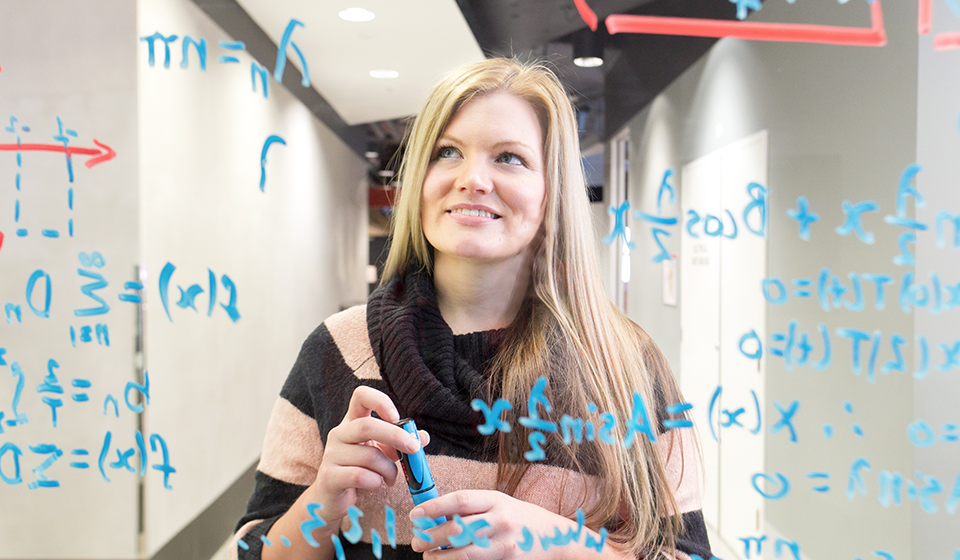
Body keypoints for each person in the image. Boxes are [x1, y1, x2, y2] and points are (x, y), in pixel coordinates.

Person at [233, 57, 712, 560]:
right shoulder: (337, 351)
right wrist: (322, 503)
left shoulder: (623, 366)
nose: (473, 179)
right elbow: (254, 550)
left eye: (509, 158)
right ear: (419, 180)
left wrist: (558, 546)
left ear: (552, 193)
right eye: (447, 152)